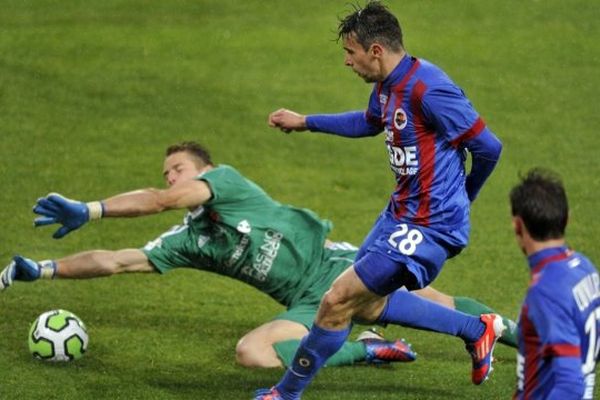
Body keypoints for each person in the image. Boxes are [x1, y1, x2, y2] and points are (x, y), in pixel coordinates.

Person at [0, 141, 514, 371]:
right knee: (252, 353)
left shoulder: (228, 184)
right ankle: (373, 351)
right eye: (167, 174)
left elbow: (158, 202)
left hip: (342, 268)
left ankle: (532, 337)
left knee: (448, 307)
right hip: (306, 305)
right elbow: (114, 261)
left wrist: (91, 209)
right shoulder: (188, 242)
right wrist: (46, 270)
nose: (171, 179)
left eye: (177, 168)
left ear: (206, 171)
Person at [258, 2, 504, 398]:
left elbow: (488, 148)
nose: (346, 62)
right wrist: (306, 122)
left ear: (375, 50)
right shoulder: (387, 86)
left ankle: (285, 393)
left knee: (337, 299)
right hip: (399, 215)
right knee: (366, 305)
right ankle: (477, 329)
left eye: (350, 52)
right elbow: (370, 123)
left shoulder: (429, 88)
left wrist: (463, 199)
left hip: (431, 224)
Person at [510, 169, 599, 399]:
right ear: (567, 218)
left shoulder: (546, 290)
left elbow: (570, 384)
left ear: (518, 226)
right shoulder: (584, 268)